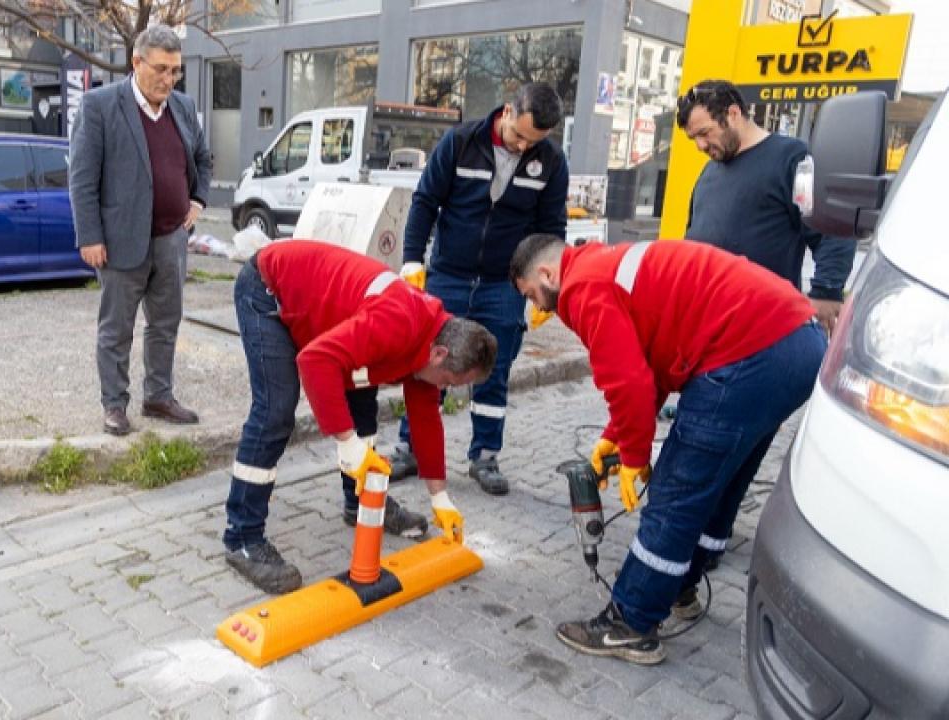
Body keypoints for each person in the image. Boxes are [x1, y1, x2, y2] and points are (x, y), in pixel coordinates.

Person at [510, 233, 827, 665]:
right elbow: (651, 366)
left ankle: (632, 621)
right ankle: (681, 585)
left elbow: (629, 383)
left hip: (747, 351)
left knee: (675, 492)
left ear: (548, 273)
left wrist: (637, 458)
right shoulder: (605, 264)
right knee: (722, 478)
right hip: (796, 342)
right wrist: (616, 435)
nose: (539, 308)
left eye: (533, 294)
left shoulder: (582, 287)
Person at [224, 240, 498, 594]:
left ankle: (360, 503)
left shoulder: (432, 340)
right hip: (267, 289)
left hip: (324, 311)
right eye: (448, 381)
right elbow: (315, 360)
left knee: (363, 398)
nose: (443, 387)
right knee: (275, 411)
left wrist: (439, 498)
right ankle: (242, 538)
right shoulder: (398, 322)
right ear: (440, 354)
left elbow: (426, 418)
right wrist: (345, 440)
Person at [395, 82, 570, 496]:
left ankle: (485, 454)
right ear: (507, 111)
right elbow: (425, 202)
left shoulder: (550, 162)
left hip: (503, 283)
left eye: (535, 141)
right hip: (449, 274)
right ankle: (411, 448)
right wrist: (411, 261)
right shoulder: (460, 142)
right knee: (431, 359)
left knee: (495, 366)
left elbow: (551, 229)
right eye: (519, 135)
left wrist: (549, 286)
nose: (524, 147)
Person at [69, 24, 213, 436]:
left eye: (175, 71)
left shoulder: (182, 108)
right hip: (118, 242)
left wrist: (198, 201)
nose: (168, 80)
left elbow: (203, 159)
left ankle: (159, 397)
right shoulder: (100, 106)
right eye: (161, 69)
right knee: (116, 329)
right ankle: (114, 405)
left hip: (171, 239)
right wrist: (89, 236)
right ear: (136, 63)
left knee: (165, 323)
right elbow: (81, 177)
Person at [678, 79, 856, 334]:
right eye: (694, 138)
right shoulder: (709, 173)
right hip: (707, 329)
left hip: (764, 331)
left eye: (705, 133)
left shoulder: (793, 159)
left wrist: (826, 291)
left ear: (733, 113)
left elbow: (832, 228)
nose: (700, 146)